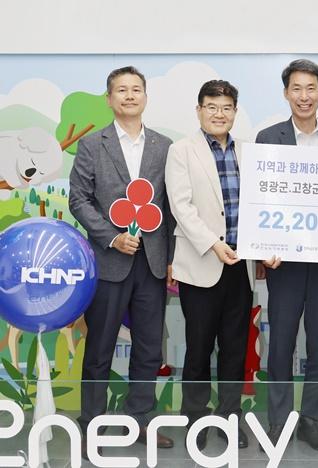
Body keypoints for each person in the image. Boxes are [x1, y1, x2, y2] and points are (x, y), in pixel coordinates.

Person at [69, 66, 175, 457]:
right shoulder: (91, 145)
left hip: (152, 264)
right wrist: (112, 237)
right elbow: (79, 199)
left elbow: (172, 206)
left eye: (136, 90)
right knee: (99, 349)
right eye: (121, 90)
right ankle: (91, 425)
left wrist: (172, 259)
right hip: (109, 262)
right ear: (109, 98)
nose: (129, 96)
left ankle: (140, 420)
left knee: (149, 348)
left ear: (145, 96)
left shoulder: (165, 146)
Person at [255, 59, 318, 451]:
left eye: (311, 88)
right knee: (280, 342)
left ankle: (312, 419)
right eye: (296, 88)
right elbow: (260, 197)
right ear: (286, 93)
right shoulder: (268, 137)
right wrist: (262, 249)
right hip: (284, 262)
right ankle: (278, 421)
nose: (304, 96)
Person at [165, 80, 255, 450]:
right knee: (199, 347)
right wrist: (213, 244)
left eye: (226, 107)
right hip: (202, 261)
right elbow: (181, 206)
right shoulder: (181, 151)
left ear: (235, 111)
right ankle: (196, 418)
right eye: (212, 107)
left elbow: (262, 206)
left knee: (235, 349)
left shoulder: (249, 152)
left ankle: (229, 417)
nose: (220, 114)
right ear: (199, 110)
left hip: (240, 265)